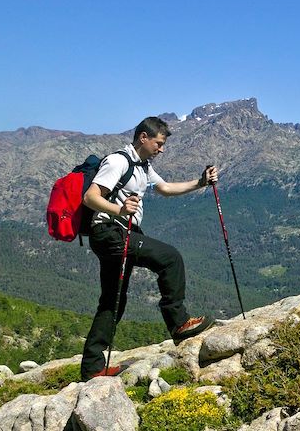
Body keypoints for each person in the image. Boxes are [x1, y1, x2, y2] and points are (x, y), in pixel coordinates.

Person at [80, 116, 218, 380]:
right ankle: (179, 323)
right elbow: (91, 197)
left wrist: (200, 182)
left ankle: (92, 368)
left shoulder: (143, 166)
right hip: (111, 233)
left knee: (113, 301)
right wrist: (119, 209)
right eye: (159, 143)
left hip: (118, 233)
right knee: (170, 258)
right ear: (143, 138)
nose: (162, 149)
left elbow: (165, 188)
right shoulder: (119, 161)